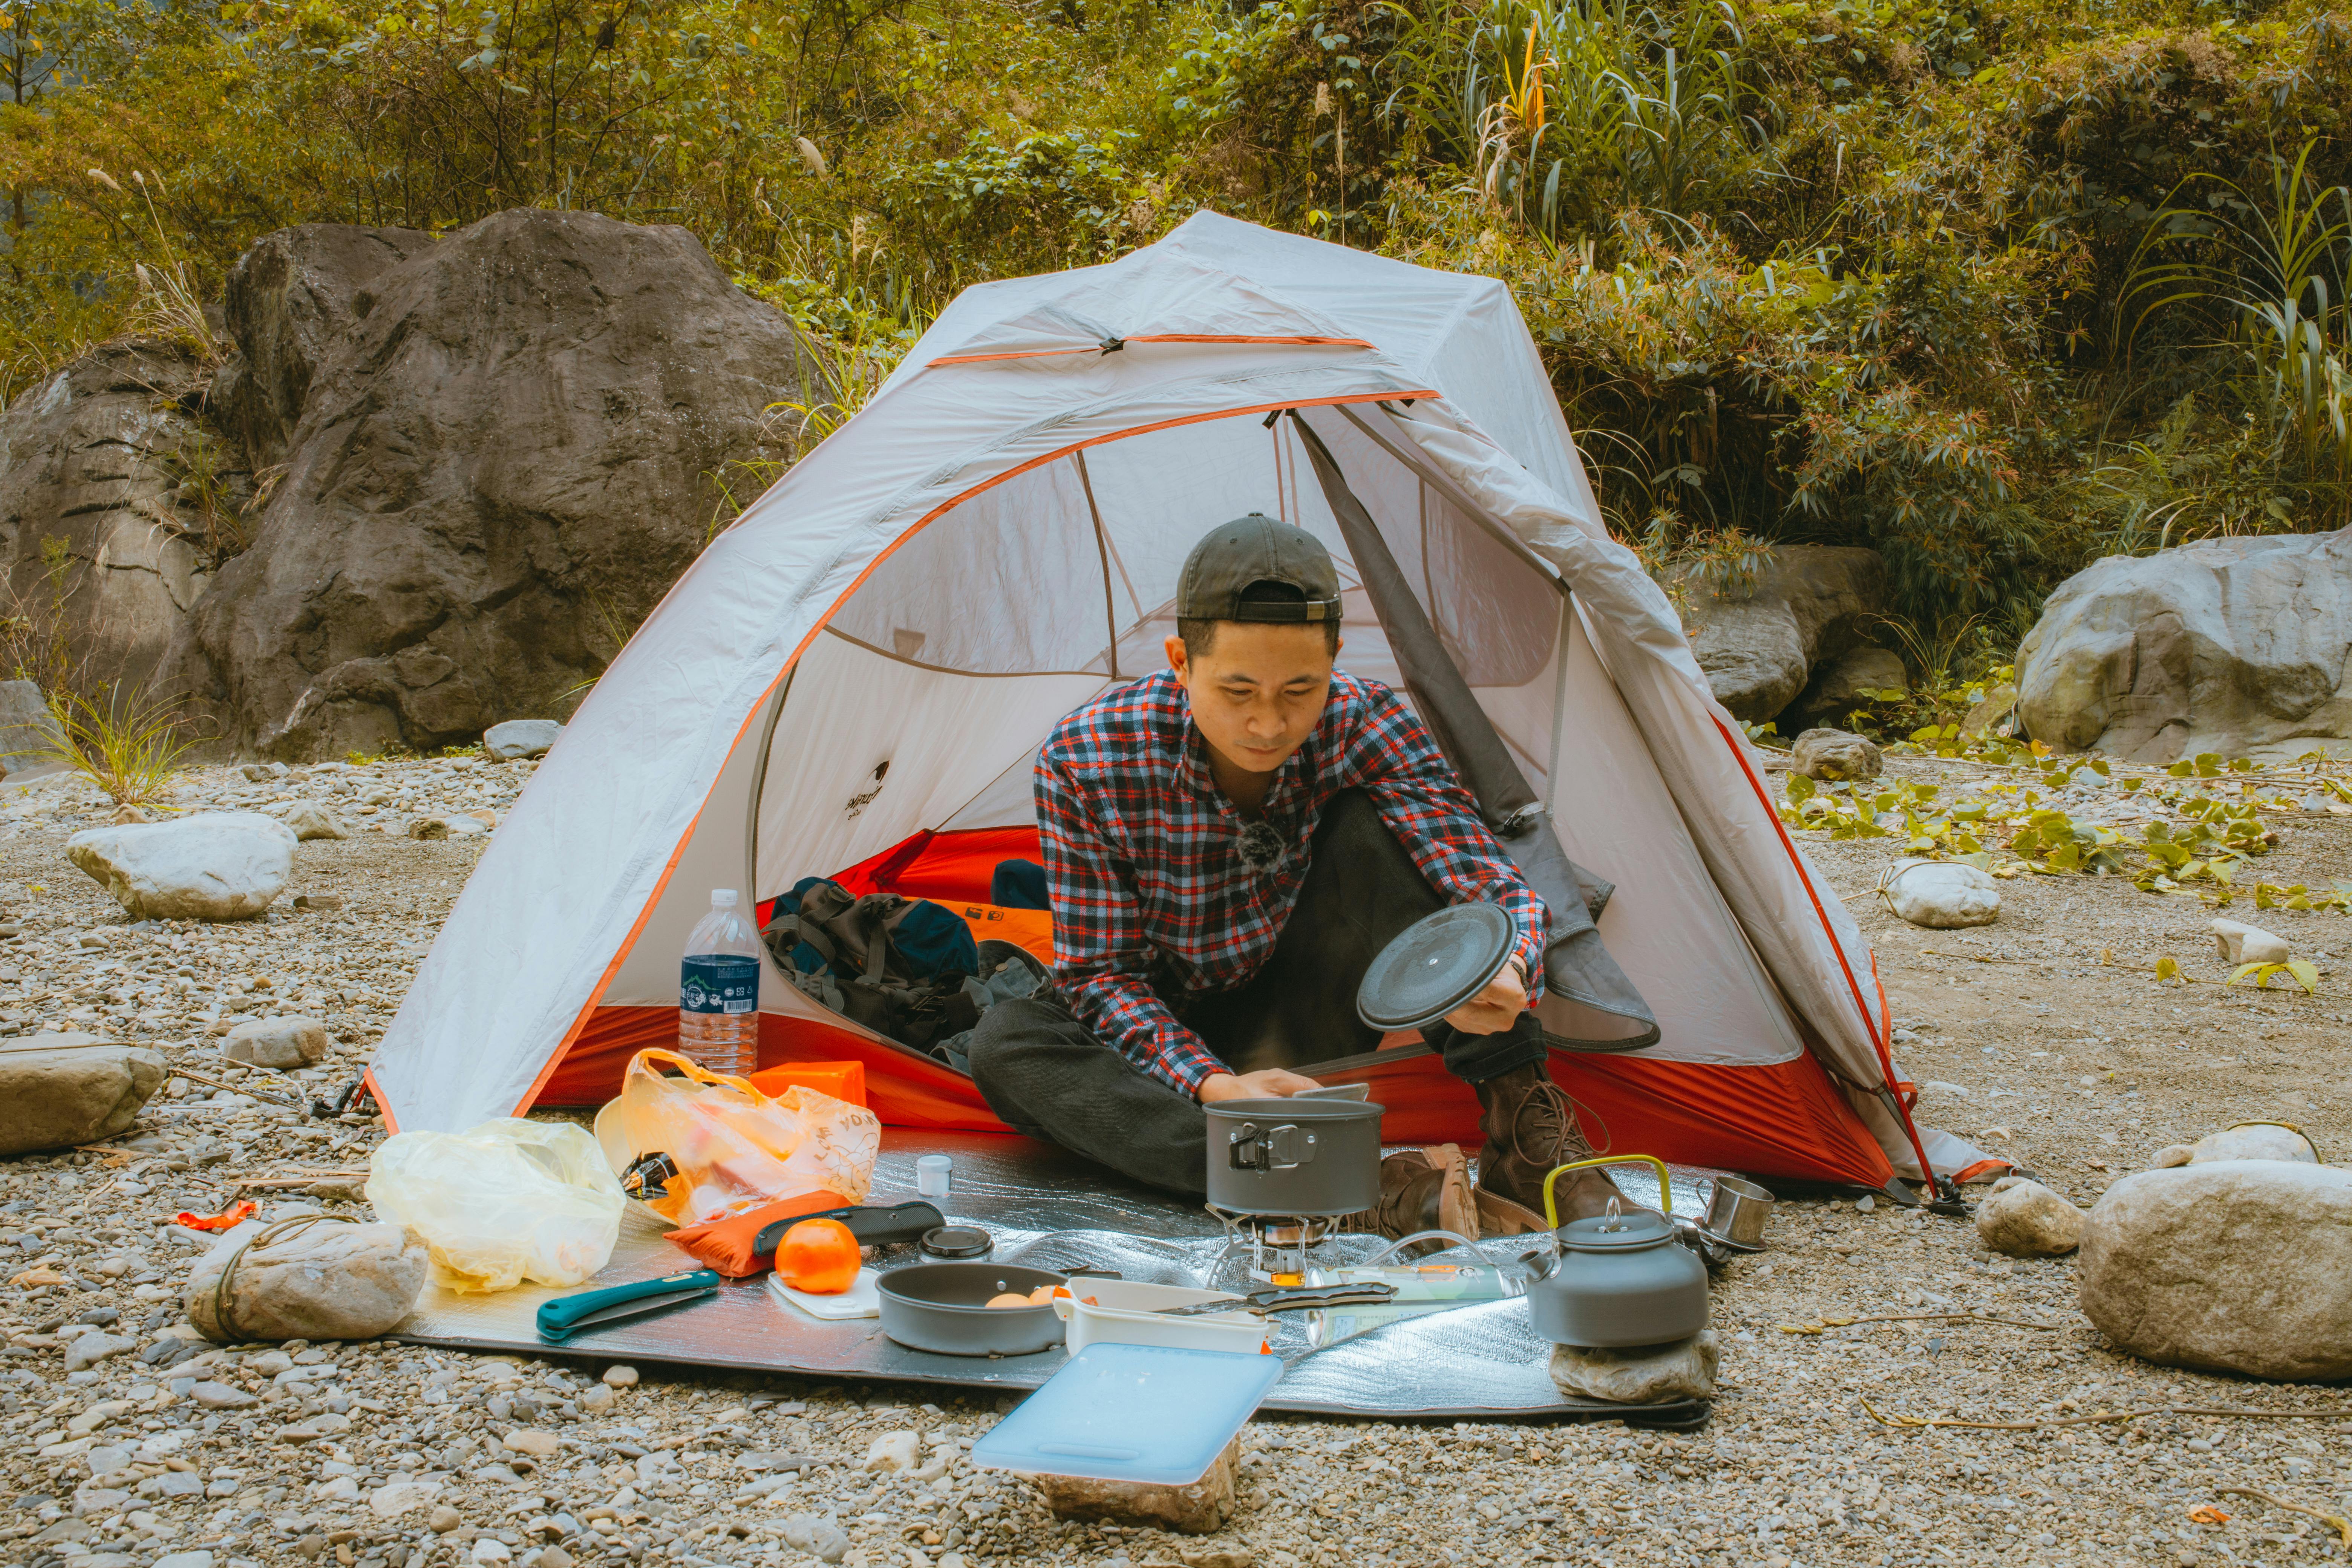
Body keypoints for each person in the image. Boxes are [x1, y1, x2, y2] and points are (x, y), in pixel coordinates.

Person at [967, 513, 1625, 1237]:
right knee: (1006, 1044)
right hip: (1165, 1035)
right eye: (1239, 692)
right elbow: (1100, 977)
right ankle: (1319, 1182)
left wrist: (1505, 966)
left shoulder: (1367, 723)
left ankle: (1528, 1148)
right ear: (1181, 662)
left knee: (1375, 842)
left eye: (1299, 691)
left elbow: (1490, 887)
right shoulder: (1085, 758)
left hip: (1302, 1006)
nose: (1270, 726)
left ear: (1337, 659)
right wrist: (1214, 1086)